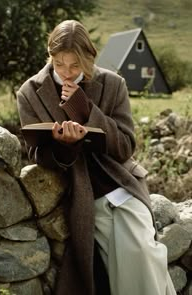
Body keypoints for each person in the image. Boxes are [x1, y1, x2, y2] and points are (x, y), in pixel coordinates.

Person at [16, 20, 176, 295]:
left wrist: (85, 109)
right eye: (59, 64)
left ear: (89, 58)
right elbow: (37, 153)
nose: (67, 73)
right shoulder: (29, 92)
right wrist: (66, 146)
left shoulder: (113, 84)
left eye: (75, 66)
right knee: (125, 255)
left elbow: (126, 146)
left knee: (141, 250)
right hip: (80, 190)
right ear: (50, 56)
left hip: (121, 181)